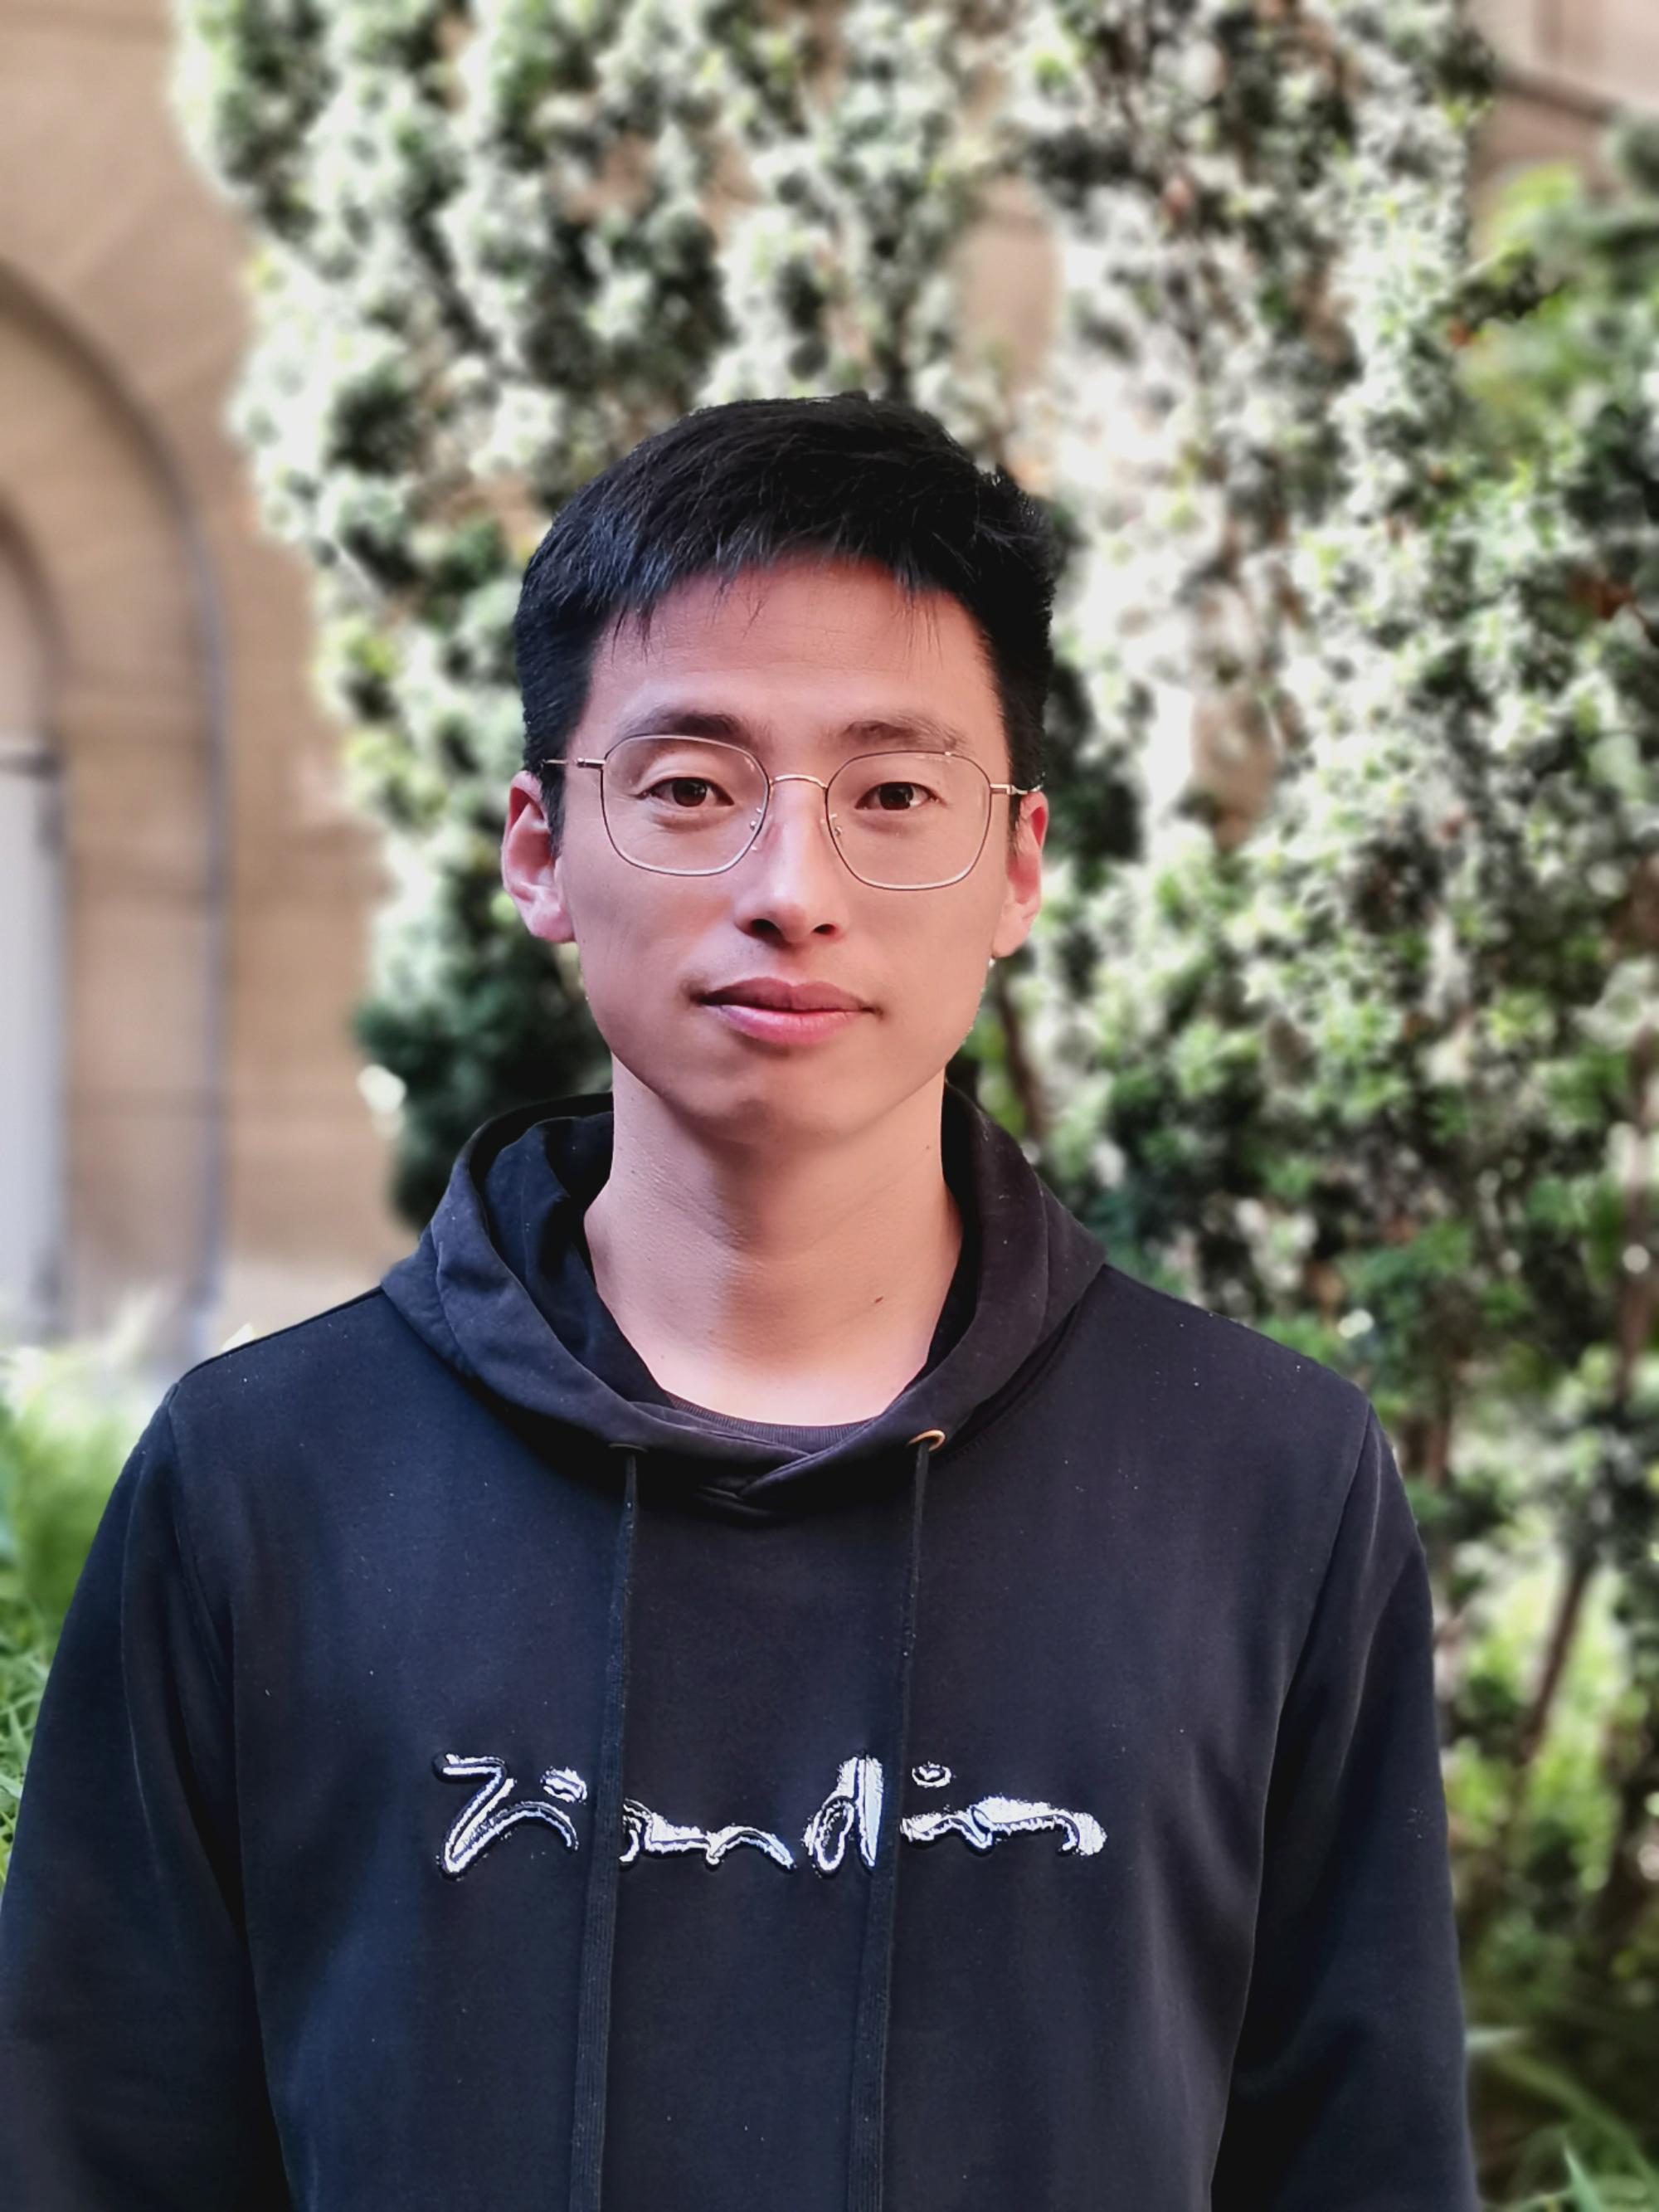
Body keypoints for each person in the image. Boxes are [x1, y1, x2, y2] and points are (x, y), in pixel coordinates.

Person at [0, 392, 1479, 2210]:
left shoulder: (1264, 1485)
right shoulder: (264, 1482)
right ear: (538, 848)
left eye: (894, 795)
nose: (794, 889)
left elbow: (1359, 2158)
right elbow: (98, 2149)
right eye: (693, 786)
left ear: (1019, 863)